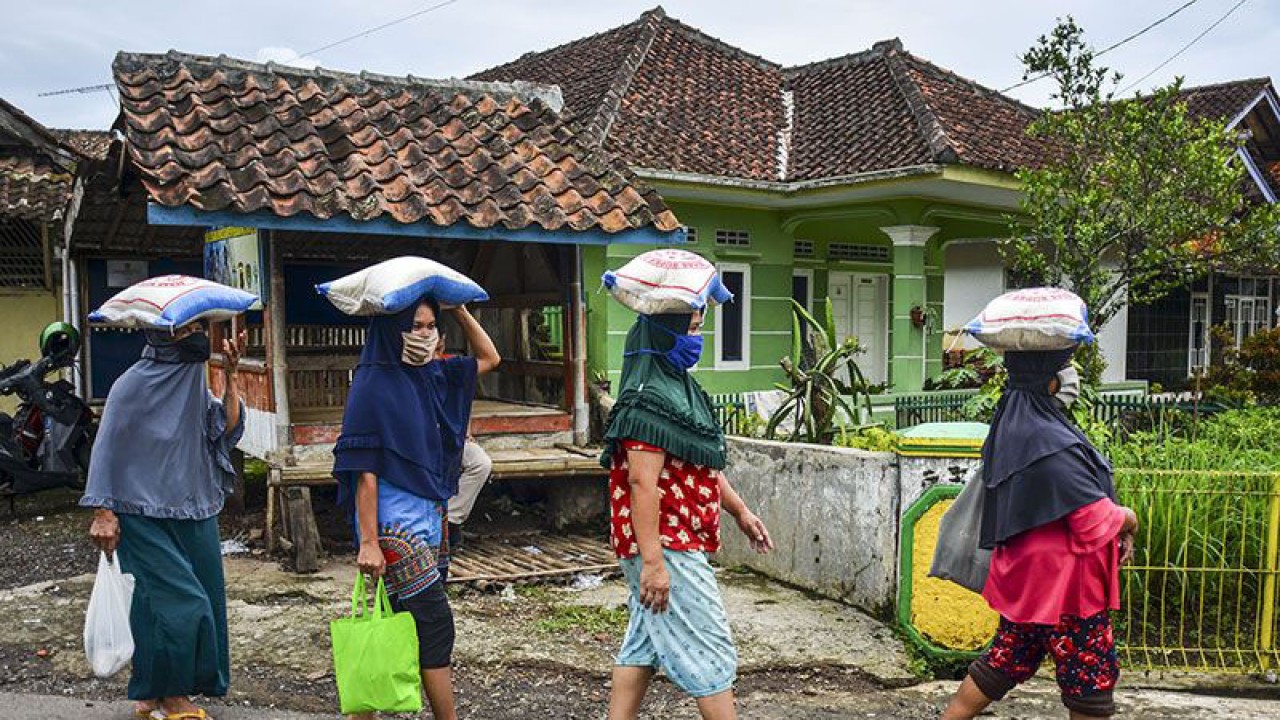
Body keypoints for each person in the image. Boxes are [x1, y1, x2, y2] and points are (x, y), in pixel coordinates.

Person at [941, 349, 1139, 720]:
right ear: (1049, 381)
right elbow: (1090, 520)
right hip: (1067, 588)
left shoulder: (1014, 426)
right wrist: (1129, 518)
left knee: (1002, 662)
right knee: (1089, 685)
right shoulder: (1050, 439)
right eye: (1066, 369)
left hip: (1025, 582)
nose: (1072, 377)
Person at [602, 310, 773, 720]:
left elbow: (701, 465)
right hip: (666, 544)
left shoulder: (680, 391)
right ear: (664, 334)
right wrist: (653, 564)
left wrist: (740, 511)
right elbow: (642, 484)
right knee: (710, 646)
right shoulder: (648, 402)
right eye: (691, 330)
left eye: (698, 328)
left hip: (675, 539)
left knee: (643, 643)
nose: (697, 339)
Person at [331, 299, 499, 720]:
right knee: (435, 624)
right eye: (415, 326)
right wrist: (369, 542)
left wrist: (459, 310)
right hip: (394, 526)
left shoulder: (432, 375)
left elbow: (489, 358)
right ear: (393, 330)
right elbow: (364, 471)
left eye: (430, 326)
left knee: (400, 619)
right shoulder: (373, 385)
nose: (424, 335)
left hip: (429, 518)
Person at [83, 321, 246, 720]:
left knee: (179, 602)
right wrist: (103, 511)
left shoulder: (193, 381)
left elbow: (224, 430)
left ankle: (150, 694)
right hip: (141, 512)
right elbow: (106, 447)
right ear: (162, 334)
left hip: (193, 507)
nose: (195, 336)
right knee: (180, 603)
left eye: (197, 327)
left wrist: (231, 375)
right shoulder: (131, 385)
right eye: (185, 330)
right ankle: (173, 697)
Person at [433, 327, 494, 552]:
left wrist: (465, 431)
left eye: (432, 331)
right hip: (422, 442)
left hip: (452, 439)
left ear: (443, 339)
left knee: (480, 462)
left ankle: (451, 519)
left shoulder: (454, 366)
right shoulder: (407, 370)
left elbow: (463, 400)